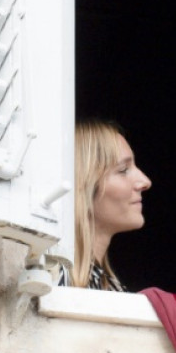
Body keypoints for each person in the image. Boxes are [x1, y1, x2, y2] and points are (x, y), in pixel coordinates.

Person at [55, 119, 152, 291]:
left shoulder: (112, 288)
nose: (145, 181)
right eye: (123, 170)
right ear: (83, 186)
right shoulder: (49, 281)